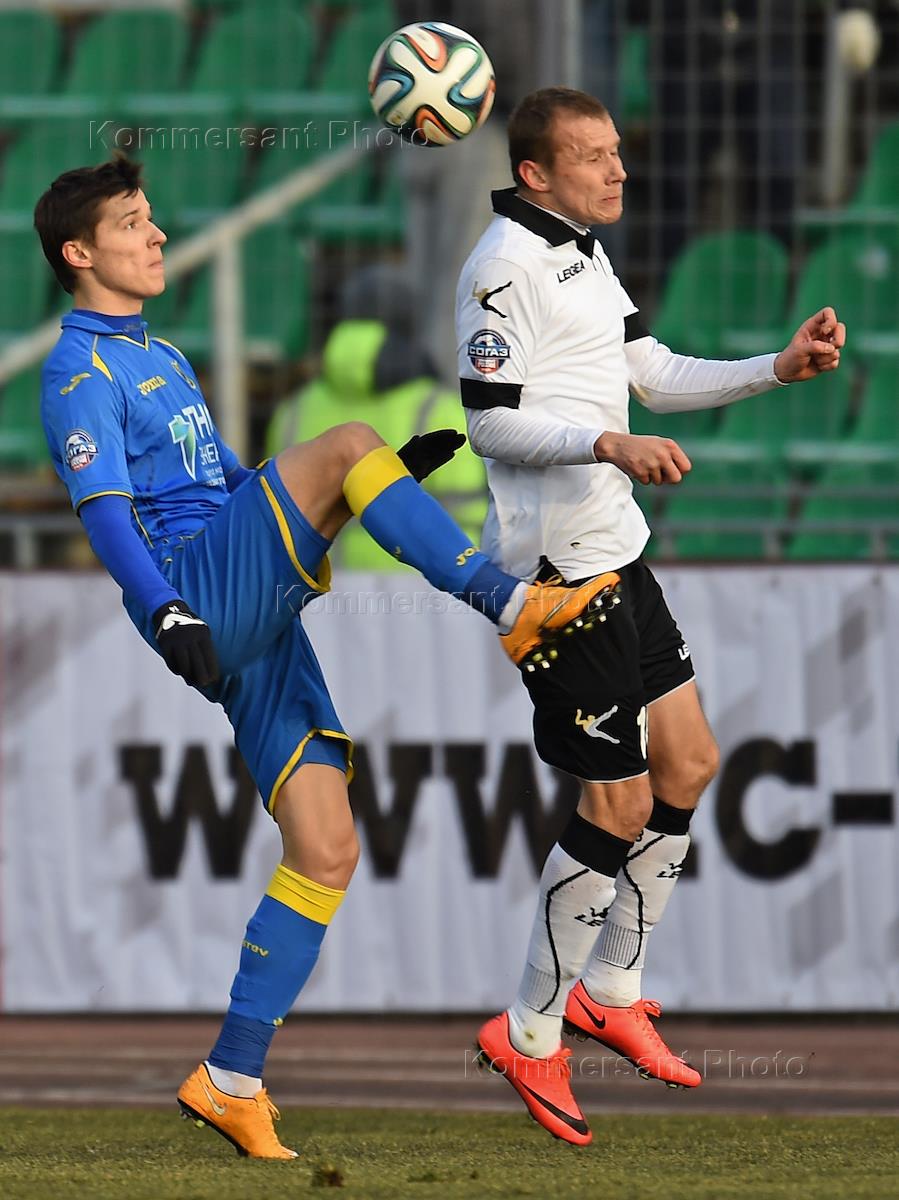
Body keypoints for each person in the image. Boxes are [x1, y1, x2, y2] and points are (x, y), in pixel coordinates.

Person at [34, 155, 622, 1160]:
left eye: (151, 217)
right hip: (196, 593)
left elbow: (236, 481)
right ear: (79, 253)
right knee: (348, 436)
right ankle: (511, 605)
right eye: (133, 223)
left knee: (325, 848)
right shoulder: (77, 375)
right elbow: (108, 516)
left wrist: (376, 484)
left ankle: (230, 1078)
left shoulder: (162, 356)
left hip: (238, 599)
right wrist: (166, 610)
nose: (158, 235)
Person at [455, 87, 845, 1145]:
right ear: (535, 173)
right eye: (591, 156)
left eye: (616, 151)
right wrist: (604, 443)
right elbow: (488, 425)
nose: (616, 170)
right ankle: (527, 1031)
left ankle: (610, 989)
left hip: (616, 554)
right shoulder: (501, 267)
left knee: (689, 762)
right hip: (556, 576)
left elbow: (651, 375)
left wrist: (775, 368)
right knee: (617, 805)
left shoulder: (580, 250)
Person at [265, 264, 486, 566]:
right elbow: (468, 513)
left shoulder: (292, 411)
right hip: (421, 582)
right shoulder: (440, 408)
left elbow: (273, 510)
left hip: (313, 579)